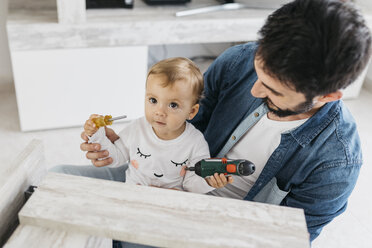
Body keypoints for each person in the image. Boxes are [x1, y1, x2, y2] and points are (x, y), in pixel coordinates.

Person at [57, 0, 371, 243]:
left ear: (328, 96)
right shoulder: (239, 61)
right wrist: (130, 143)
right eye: (259, 71)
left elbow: (287, 239)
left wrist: (187, 213)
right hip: (161, 175)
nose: (254, 89)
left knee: (109, 235)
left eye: (273, 90)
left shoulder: (336, 162)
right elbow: (187, 122)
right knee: (54, 182)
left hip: (215, 227)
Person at [80, 57, 230, 193]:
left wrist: (209, 181)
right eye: (153, 100)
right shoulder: (137, 128)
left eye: (173, 105)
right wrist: (97, 133)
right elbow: (116, 157)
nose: (159, 112)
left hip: (168, 206)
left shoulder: (195, 142)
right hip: (133, 197)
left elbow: (192, 185)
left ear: (191, 111)